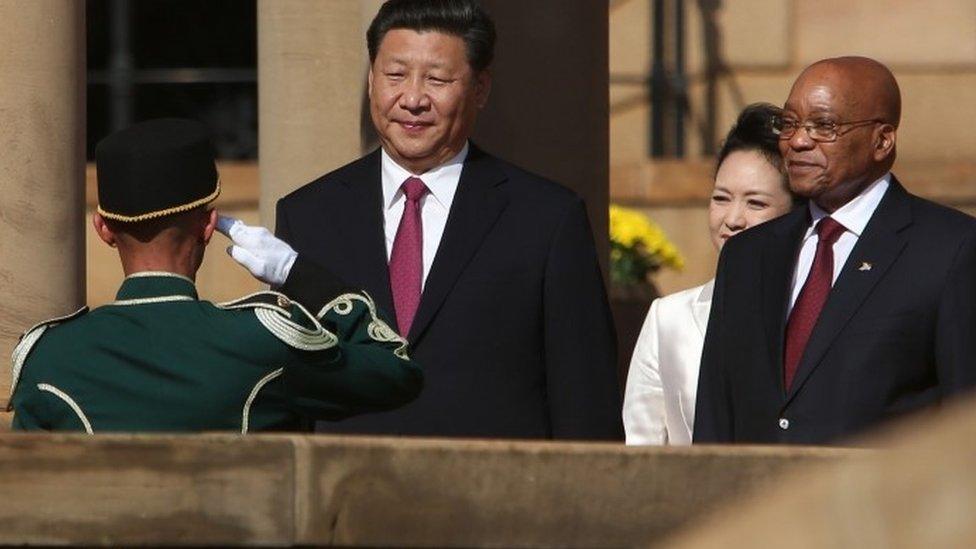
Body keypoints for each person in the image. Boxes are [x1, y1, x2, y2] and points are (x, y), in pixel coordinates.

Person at [227, 0, 621, 439]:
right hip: (350, 492)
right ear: (372, 80)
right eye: (394, 75)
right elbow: (292, 385)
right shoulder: (309, 214)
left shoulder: (547, 218)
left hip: (495, 495)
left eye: (437, 79)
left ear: (480, 88)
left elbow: (586, 402)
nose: (412, 99)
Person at [9, 118, 423, 433]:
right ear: (209, 224)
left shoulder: (49, 356)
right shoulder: (262, 339)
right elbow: (396, 372)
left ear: (103, 229)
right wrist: (297, 272)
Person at [693, 57, 976, 445]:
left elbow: (964, 420)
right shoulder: (747, 255)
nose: (798, 141)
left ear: (882, 140)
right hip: (755, 501)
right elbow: (716, 417)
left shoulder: (950, 249)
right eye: (789, 124)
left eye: (823, 126)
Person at [622, 104, 797, 445]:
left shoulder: (813, 316)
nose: (732, 219)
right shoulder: (668, 318)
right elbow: (641, 446)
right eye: (720, 198)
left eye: (756, 203)